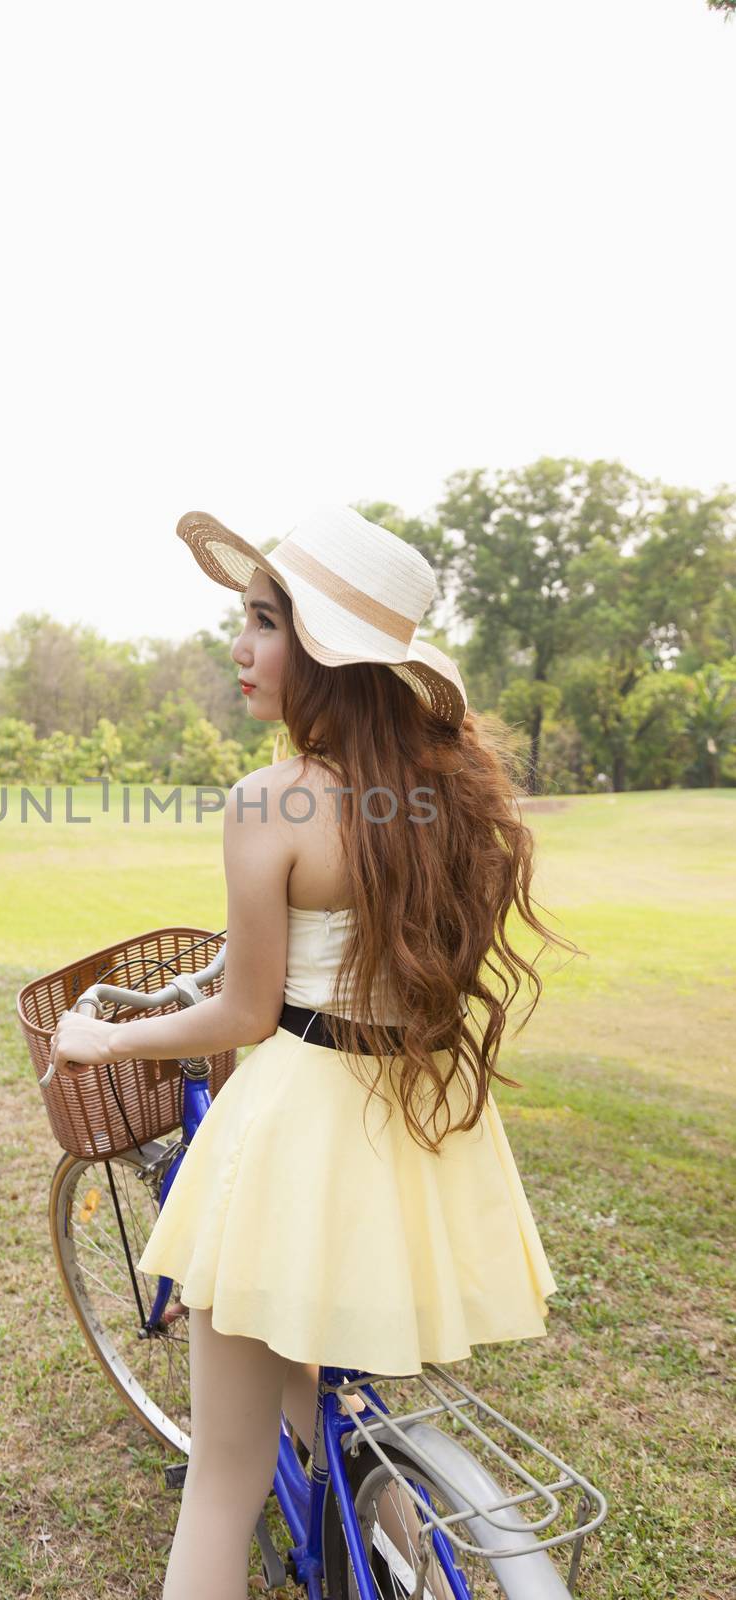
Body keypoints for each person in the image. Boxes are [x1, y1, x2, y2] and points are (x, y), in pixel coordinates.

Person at [49, 504, 580, 1600]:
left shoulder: (271, 801)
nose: (238, 650)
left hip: (301, 1128)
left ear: (327, 653)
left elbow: (244, 1014)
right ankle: (413, 1565)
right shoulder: (453, 796)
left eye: (262, 624)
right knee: (346, 1395)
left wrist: (110, 1033)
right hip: (417, 1127)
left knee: (223, 1477)